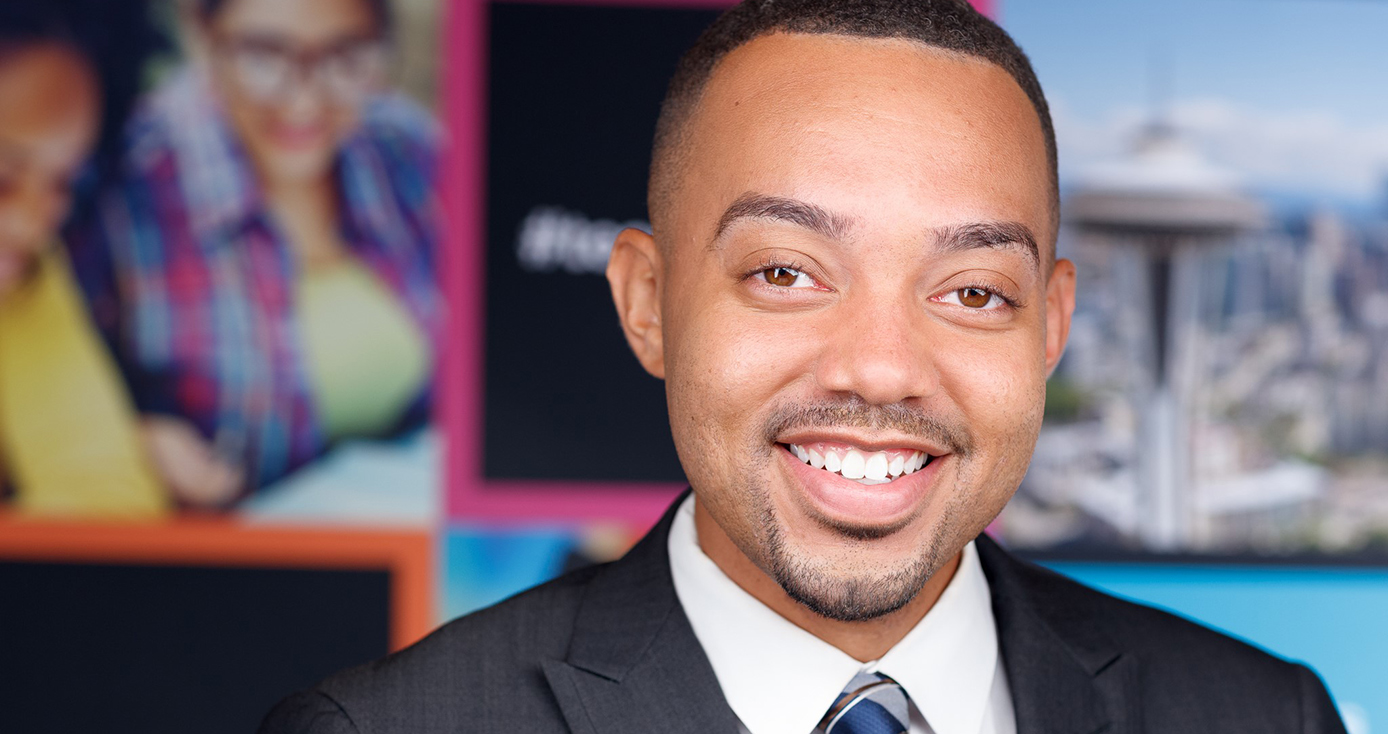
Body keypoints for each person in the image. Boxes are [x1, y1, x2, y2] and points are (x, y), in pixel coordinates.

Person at [261, 1, 1347, 732]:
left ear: (1048, 325)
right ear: (646, 302)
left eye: (971, 291)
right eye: (786, 272)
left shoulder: (1259, 712)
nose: (880, 370)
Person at [72, 0, 440, 508]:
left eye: (346, 57)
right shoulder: (120, 182)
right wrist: (128, 441)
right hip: (228, 568)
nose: (304, 101)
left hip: (427, 555)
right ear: (199, 30)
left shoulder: (411, 151)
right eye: (264, 58)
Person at [0, 3, 166, 517]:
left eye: (64, 181)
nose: (32, 223)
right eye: (2, 177)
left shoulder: (22, 275)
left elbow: (108, 512)